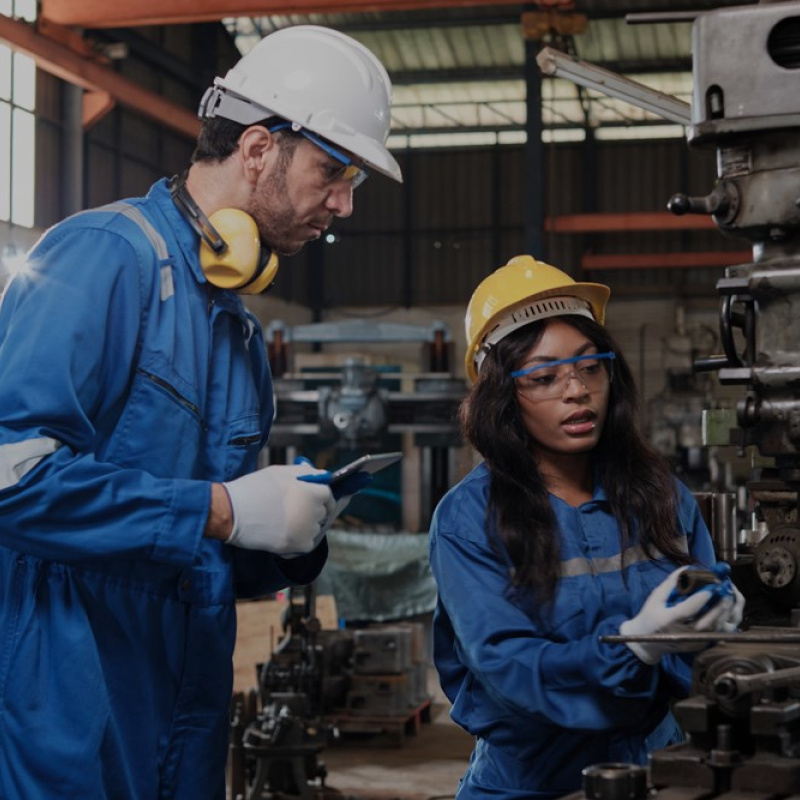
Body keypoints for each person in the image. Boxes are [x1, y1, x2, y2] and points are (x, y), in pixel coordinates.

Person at [0, 25, 402, 800]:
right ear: (257, 149)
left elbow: (196, 543)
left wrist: (284, 538)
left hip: (183, 709)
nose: (344, 204)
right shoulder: (103, 258)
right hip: (66, 700)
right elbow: (11, 474)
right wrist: (220, 509)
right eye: (333, 171)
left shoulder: (240, 336)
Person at [428, 255, 745, 800]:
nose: (576, 390)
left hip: (659, 767)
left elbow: (697, 636)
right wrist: (634, 649)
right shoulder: (467, 520)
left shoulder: (661, 495)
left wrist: (716, 621)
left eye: (589, 366)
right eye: (545, 376)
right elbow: (510, 668)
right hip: (530, 782)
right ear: (502, 397)